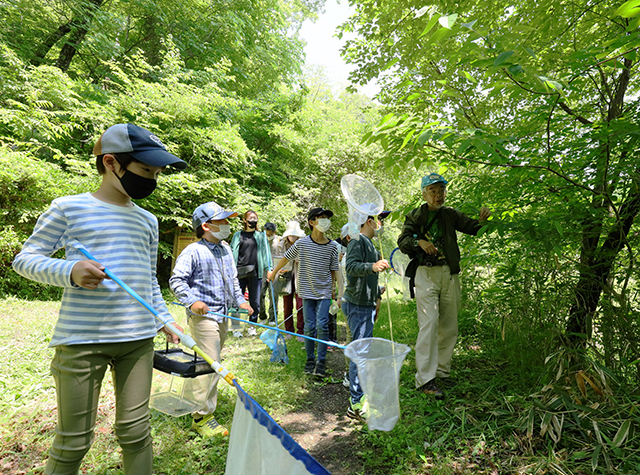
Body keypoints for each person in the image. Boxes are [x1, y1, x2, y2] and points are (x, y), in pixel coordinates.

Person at [12, 123, 186, 475]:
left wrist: (164, 319)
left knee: (137, 432)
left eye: (156, 173)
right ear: (111, 163)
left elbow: (147, 279)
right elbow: (25, 260)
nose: (152, 179)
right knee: (73, 440)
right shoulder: (68, 208)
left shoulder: (148, 221)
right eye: (145, 171)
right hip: (81, 342)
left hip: (137, 341)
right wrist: (71, 270)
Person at [397, 173, 490, 399]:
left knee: (449, 324)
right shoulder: (416, 215)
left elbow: (474, 228)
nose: (438, 195)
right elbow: (402, 242)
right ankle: (425, 379)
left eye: (441, 191)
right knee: (428, 324)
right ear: (424, 194)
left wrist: (484, 221)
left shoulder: (450, 215)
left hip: (449, 273)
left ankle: (441, 371)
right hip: (425, 274)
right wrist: (419, 241)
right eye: (433, 191)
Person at [170, 201, 253, 437]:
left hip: (223, 314)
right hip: (203, 317)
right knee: (210, 364)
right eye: (223, 221)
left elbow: (233, 281)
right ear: (206, 226)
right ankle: (201, 416)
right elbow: (177, 281)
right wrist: (192, 301)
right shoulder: (194, 251)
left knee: (207, 363)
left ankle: (194, 401)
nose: (228, 225)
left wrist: (241, 301)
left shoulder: (226, 249)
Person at [268, 208, 339, 378]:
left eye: (326, 218)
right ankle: (310, 359)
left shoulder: (332, 246)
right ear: (311, 222)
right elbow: (286, 257)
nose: (325, 221)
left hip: (324, 293)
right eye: (321, 218)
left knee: (322, 325)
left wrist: (335, 293)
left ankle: (321, 361)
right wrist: (274, 272)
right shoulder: (302, 243)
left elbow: (334, 271)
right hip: (306, 292)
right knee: (309, 327)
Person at [343, 215, 389, 420]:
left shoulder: (370, 245)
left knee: (363, 352)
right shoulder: (357, 239)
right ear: (368, 221)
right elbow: (351, 267)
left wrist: (377, 293)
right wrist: (372, 266)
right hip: (357, 305)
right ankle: (356, 403)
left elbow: (367, 278)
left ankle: (360, 395)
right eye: (379, 219)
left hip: (368, 304)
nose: (382, 223)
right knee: (360, 353)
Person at [230, 210, 272, 336]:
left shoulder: (261, 236)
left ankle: (252, 326)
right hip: (239, 273)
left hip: (256, 273)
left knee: (255, 301)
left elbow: (266, 253)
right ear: (244, 220)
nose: (253, 220)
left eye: (255, 218)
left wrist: (269, 268)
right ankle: (236, 327)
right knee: (237, 300)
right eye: (250, 218)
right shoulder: (238, 235)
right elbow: (232, 252)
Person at [275, 221, 306, 341]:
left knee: (300, 305)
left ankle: (301, 331)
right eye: (290, 234)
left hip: (300, 277)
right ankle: (288, 331)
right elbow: (278, 260)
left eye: (294, 234)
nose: (292, 236)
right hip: (285, 278)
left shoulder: (303, 244)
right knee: (287, 306)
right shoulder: (280, 245)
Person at [259, 222, 280, 324]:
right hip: (262, 270)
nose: (268, 235)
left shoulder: (279, 240)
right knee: (260, 294)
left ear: (274, 232)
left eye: (270, 234)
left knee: (273, 295)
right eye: (266, 233)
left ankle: (272, 318)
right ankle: (262, 316)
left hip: (274, 270)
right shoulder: (260, 239)